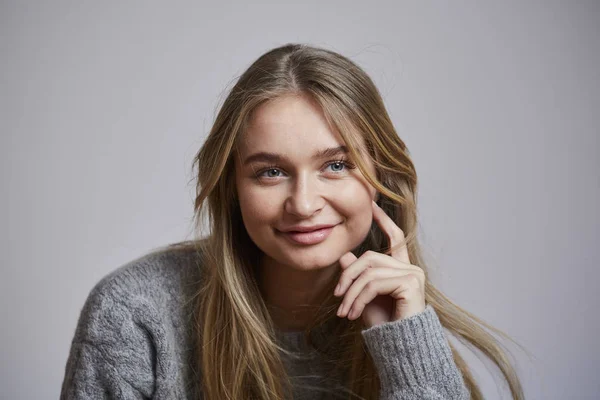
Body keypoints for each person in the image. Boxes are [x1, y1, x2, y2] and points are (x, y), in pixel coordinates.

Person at [60, 43, 526, 399]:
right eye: (271, 172)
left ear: (382, 175)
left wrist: (404, 347)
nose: (303, 204)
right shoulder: (135, 313)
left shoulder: (406, 317)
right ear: (232, 188)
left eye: (336, 165)